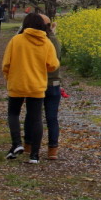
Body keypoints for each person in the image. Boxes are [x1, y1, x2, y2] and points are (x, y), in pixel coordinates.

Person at [2, 12, 59, 164]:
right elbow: (53, 65)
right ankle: (34, 155)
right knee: (36, 119)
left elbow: (6, 63)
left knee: (13, 114)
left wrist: (9, 77)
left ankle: (17, 144)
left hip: (17, 83)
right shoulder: (47, 42)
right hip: (37, 86)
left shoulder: (16, 40)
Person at [39, 14, 62, 160]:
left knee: (33, 116)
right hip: (54, 83)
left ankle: (30, 146)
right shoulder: (55, 41)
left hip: (38, 83)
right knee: (52, 118)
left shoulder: (37, 41)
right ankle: (52, 149)